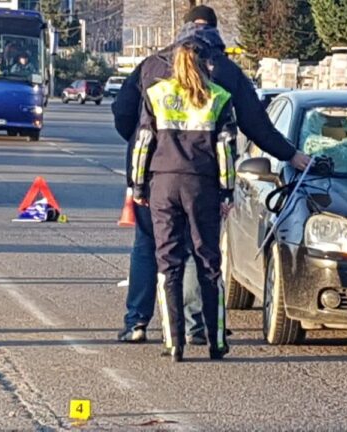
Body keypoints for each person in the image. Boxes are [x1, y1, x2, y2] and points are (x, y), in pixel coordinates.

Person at [111, 7, 309, 345]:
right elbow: (257, 125)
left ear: (184, 28)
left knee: (148, 245)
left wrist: (143, 151)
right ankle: (196, 325)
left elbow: (122, 114)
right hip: (204, 176)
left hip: (153, 174)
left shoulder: (153, 65)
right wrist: (292, 155)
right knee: (193, 248)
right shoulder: (227, 71)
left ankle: (137, 323)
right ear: (215, 32)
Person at [131, 39, 235, 362]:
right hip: (201, 185)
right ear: (206, 65)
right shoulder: (218, 98)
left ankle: (173, 342)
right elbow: (226, 150)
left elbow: (143, 141)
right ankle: (216, 340)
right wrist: (227, 191)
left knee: (168, 263)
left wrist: (137, 186)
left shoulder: (157, 95)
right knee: (208, 263)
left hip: (162, 184)